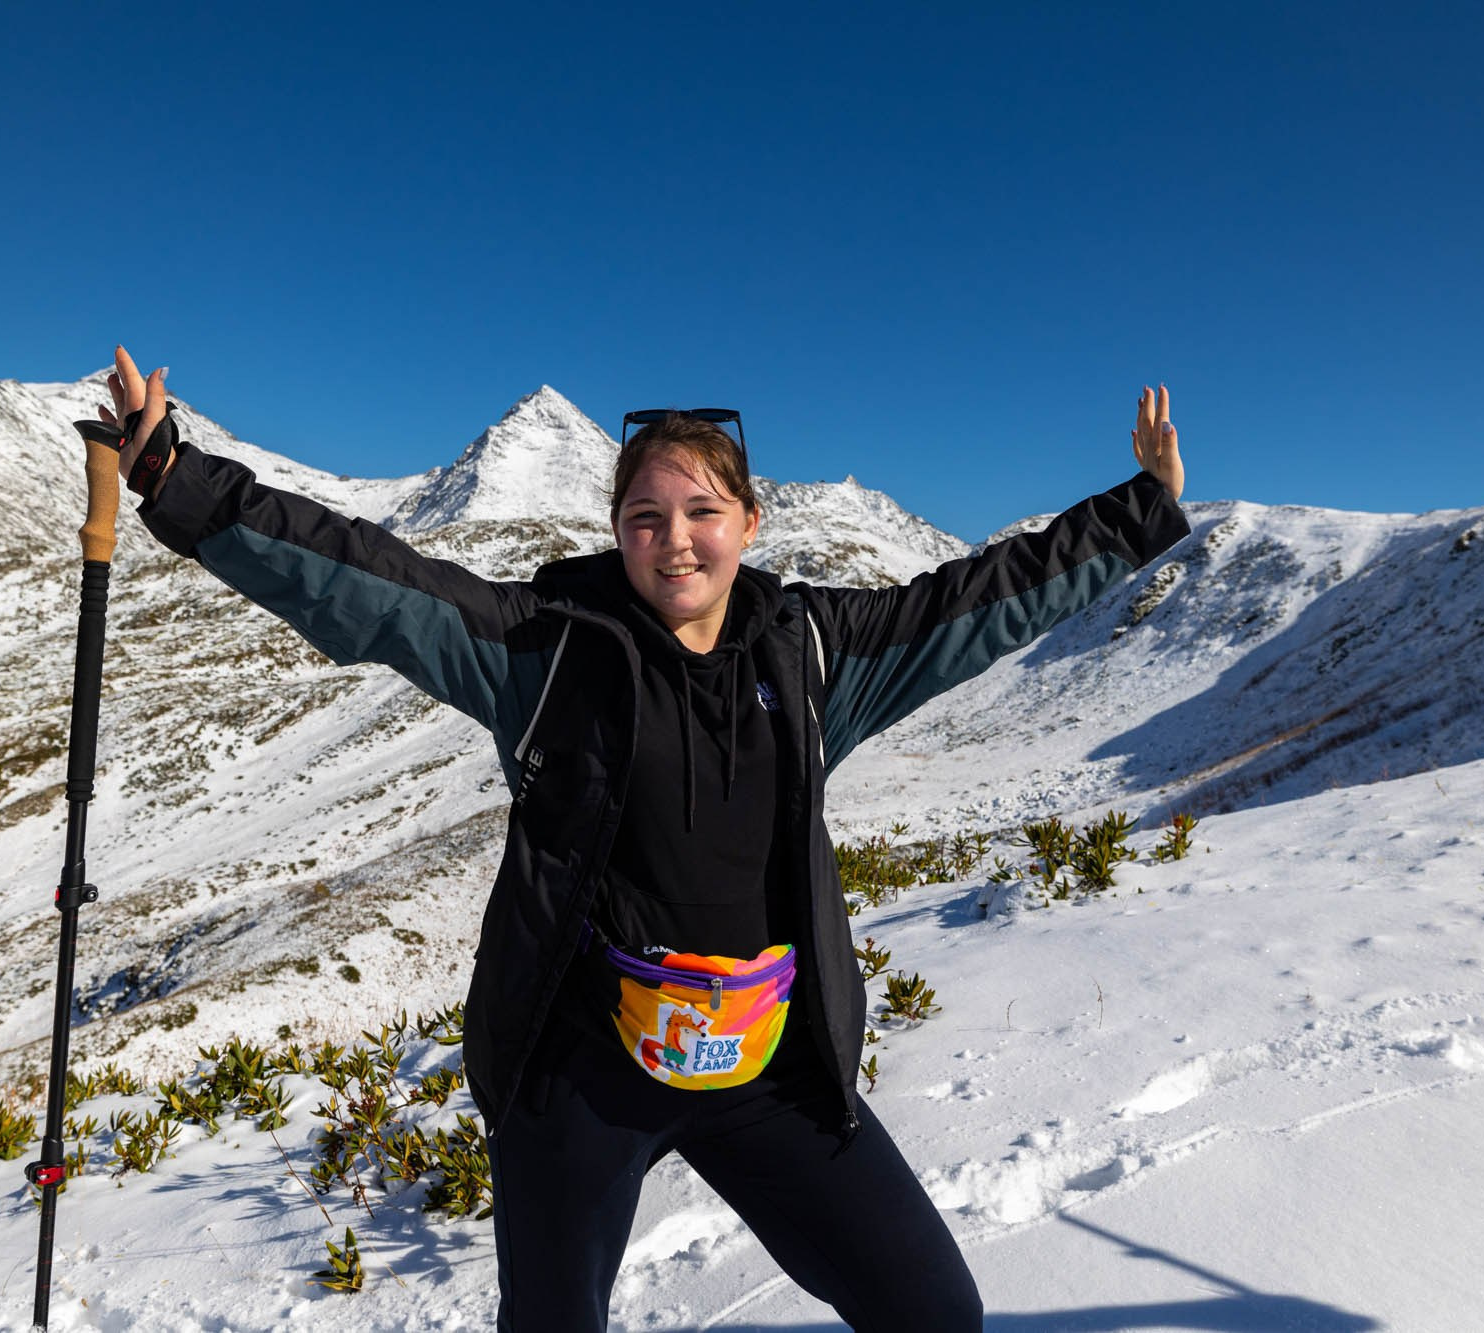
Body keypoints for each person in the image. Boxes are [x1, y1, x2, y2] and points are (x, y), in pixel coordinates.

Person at [95, 347, 1188, 1331]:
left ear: (749, 524)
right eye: (645, 519)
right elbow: (371, 588)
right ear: (615, 534)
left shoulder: (811, 654)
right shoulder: (543, 652)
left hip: (767, 1065)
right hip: (582, 1070)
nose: (675, 541)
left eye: (701, 511)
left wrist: (1136, 513)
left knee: (931, 1308)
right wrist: (178, 482)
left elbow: (978, 600)